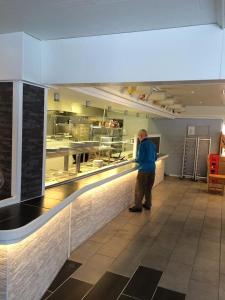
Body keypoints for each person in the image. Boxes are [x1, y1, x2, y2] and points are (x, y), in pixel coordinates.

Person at [129, 129, 157, 213]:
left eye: (138, 136)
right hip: (152, 169)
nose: (138, 138)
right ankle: (148, 204)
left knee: (139, 189)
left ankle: (138, 207)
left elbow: (140, 158)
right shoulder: (152, 144)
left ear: (141, 136)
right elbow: (155, 157)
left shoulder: (142, 145)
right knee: (148, 188)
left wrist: (134, 160)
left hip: (144, 170)